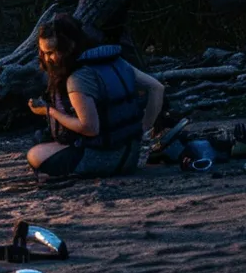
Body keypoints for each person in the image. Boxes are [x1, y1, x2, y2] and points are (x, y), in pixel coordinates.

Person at [26, 15, 165, 178]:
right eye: (43, 52)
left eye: (51, 52)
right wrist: (142, 129)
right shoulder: (116, 61)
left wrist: (49, 111)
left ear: (69, 46)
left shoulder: (78, 78)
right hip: (131, 156)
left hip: (104, 161)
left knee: (34, 154)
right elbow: (157, 88)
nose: (47, 58)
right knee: (42, 138)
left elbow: (90, 128)